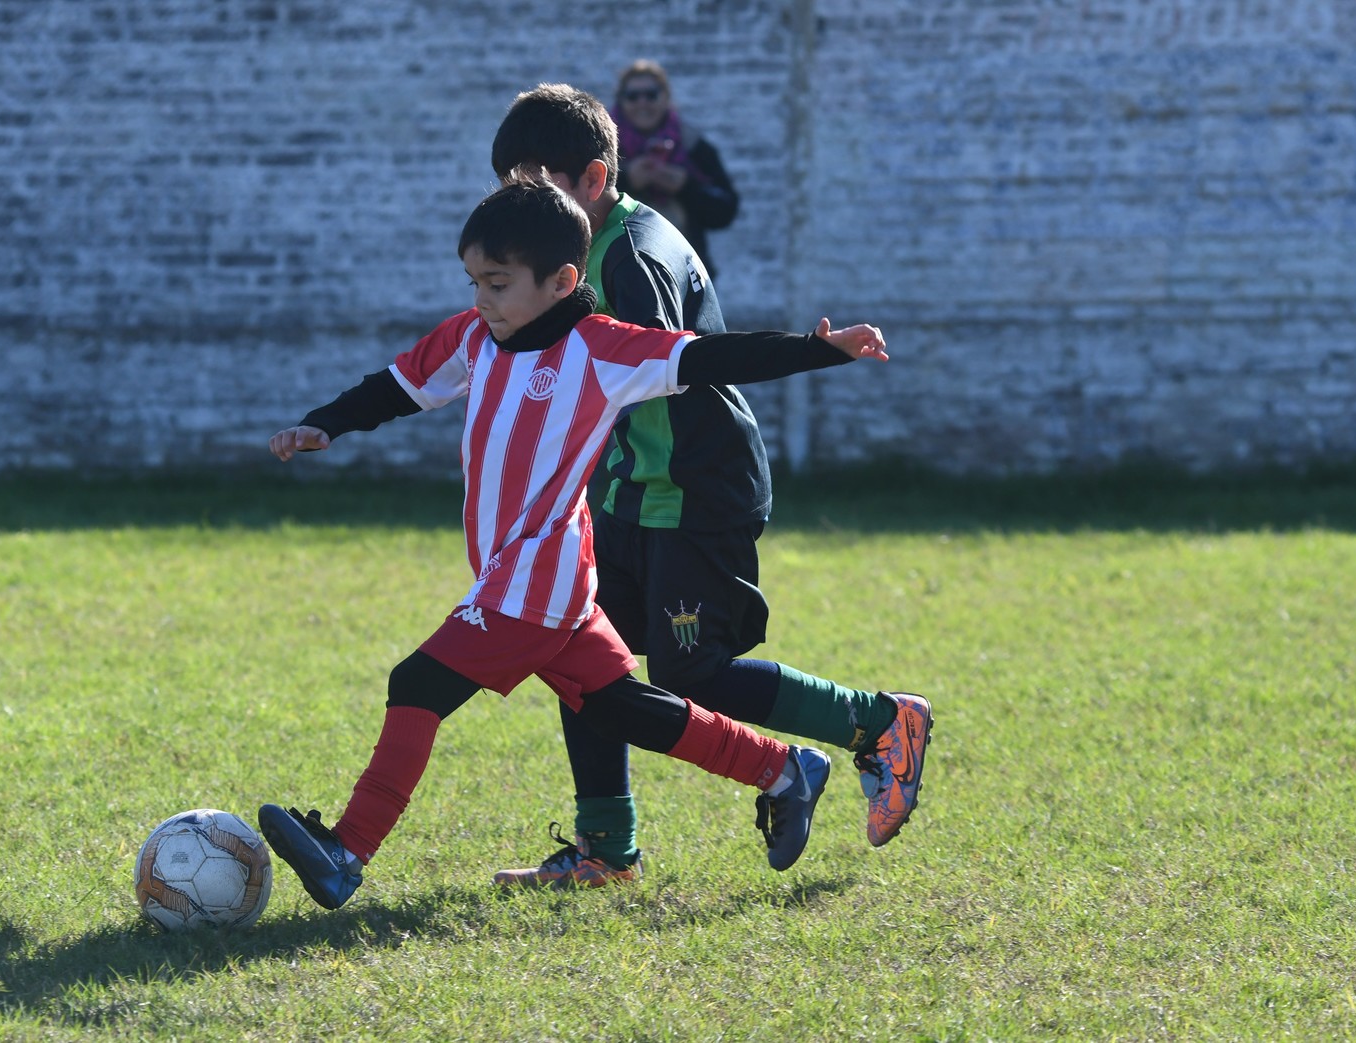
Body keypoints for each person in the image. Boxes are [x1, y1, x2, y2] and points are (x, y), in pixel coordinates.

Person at [257, 177, 890, 910]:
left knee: (416, 684)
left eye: (497, 283)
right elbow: (398, 385)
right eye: (473, 281)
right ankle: (784, 770)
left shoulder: (602, 351)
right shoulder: (471, 337)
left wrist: (821, 349)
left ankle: (347, 849)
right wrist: (324, 424)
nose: (482, 299)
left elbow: (712, 358)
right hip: (545, 580)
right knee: (622, 706)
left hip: (535, 584)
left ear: (562, 282)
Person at [487, 84, 933, 890]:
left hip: (693, 490)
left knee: (691, 674)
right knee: (575, 654)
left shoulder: (630, 255)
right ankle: (605, 851)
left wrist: (809, 350)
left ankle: (877, 721)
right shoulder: (569, 251)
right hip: (626, 493)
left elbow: (675, 364)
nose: (518, 215)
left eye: (534, 191)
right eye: (508, 193)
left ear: (591, 180)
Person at [610, 60, 738, 277]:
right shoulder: (604, 147)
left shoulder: (693, 145)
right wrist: (626, 181)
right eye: (633, 96)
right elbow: (582, 200)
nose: (643, 103)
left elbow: (724, 211)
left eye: (651, 95)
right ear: (621, 101)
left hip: (685, 274)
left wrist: (685, 186)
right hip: (620, 272)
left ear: (666, 98)